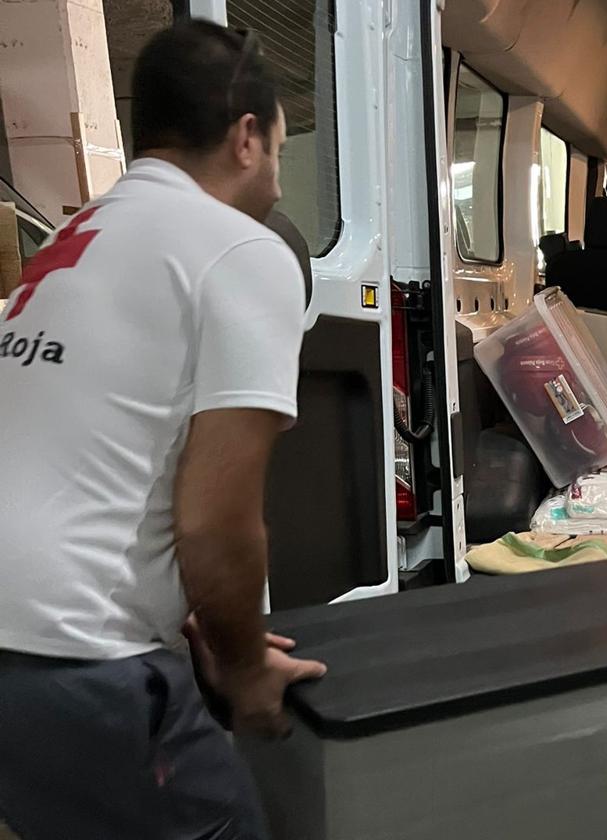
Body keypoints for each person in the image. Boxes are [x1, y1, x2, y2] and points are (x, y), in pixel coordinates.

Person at [0, 21, 326, 839]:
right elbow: (214, 520)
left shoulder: (71, 242)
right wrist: (245, 670)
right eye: (282, 154)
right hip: (75, 657)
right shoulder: (236, 250)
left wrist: (199, 627)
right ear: (246, 137)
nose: (279, 189)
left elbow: (80, 462)